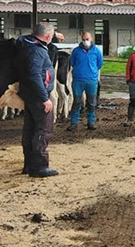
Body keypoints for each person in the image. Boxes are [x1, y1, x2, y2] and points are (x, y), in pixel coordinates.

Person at [17, 23, 58, 177]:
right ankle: (39, 166)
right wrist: (44, 98)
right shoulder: (38, 51)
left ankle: (29, 164)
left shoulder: (26, 45)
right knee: (43, 129)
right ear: (47, 36)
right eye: (52, 35)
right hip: (38, 96)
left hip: (29, 94)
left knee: (30, 129)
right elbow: (35, 75)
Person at [67, 31, 103, 131]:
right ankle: (74, 123)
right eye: (83, 39)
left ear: (91, 39)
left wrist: (92, 72)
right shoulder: (76, 51)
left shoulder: (96, 51)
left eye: (87, 39)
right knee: (77, 102)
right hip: (78, 80)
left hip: (91, 80)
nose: (85, 41)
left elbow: (99, 64)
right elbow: (73, 62)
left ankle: (91, 122)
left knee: (91, 102)